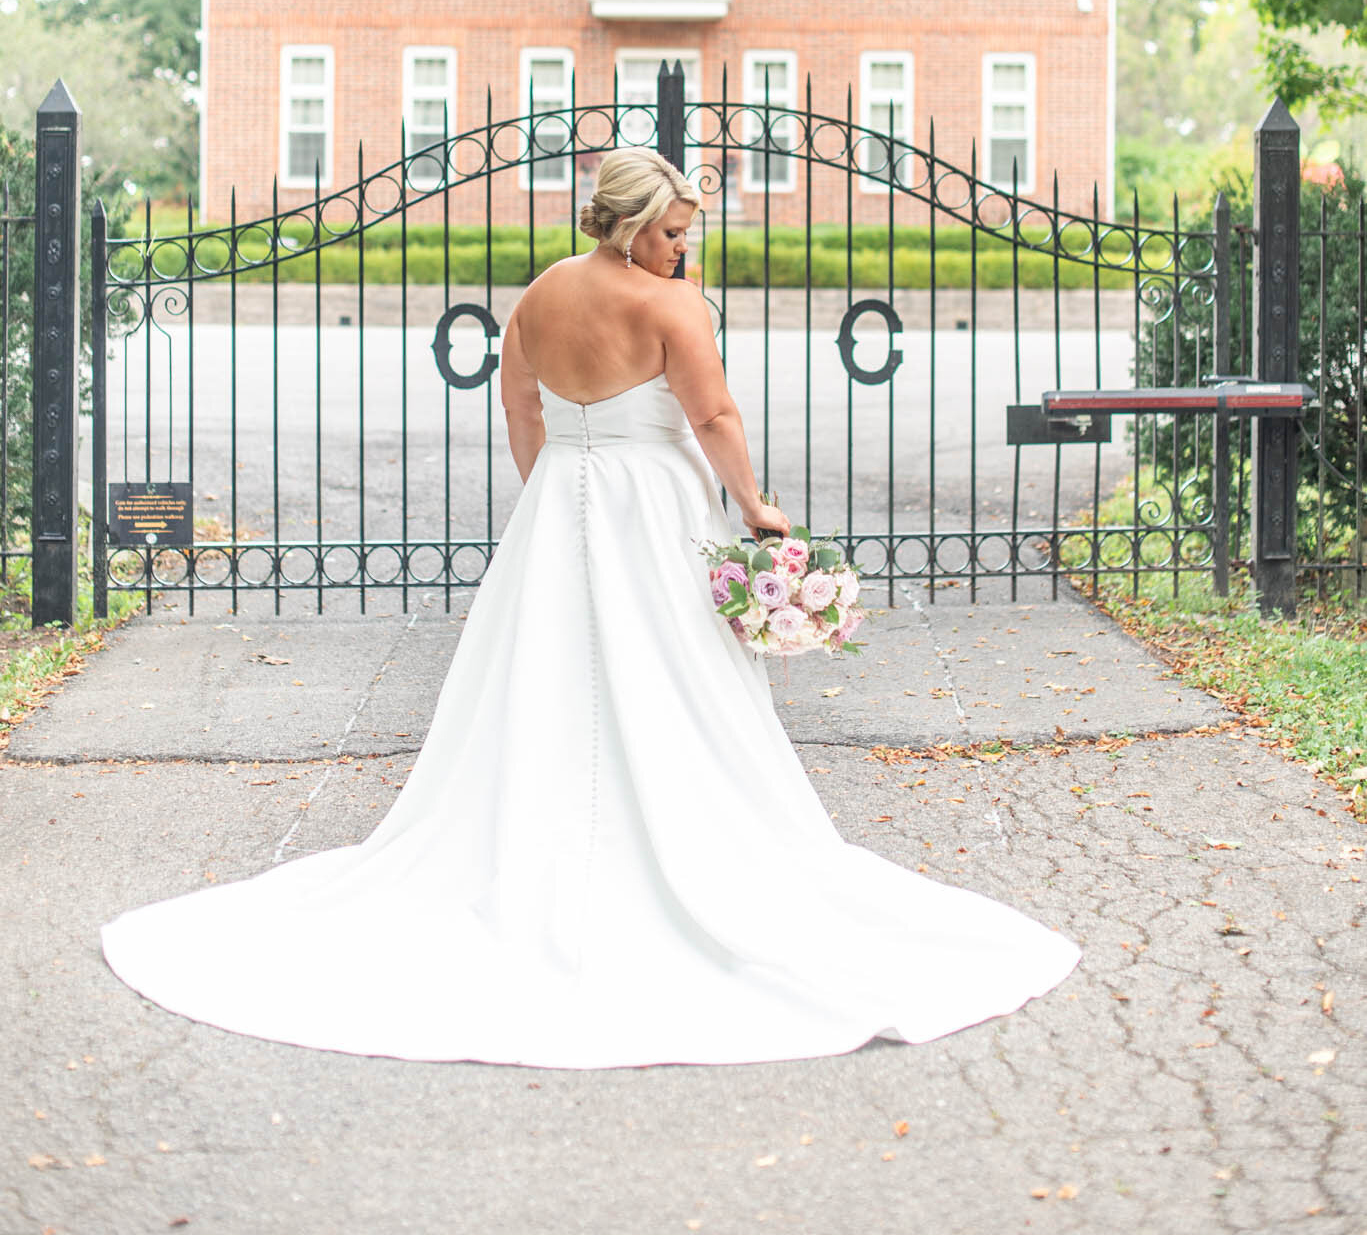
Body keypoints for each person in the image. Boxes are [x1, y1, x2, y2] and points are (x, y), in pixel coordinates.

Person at [102, 147, 1079, 1066]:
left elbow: (518, 406)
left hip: (556, 508)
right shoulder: (671, 306)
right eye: (668, 232)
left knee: (543, 676)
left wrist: (546, 489)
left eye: (686, 232)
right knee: (670, 673)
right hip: (651, 506)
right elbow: (713, 415)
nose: (681, 248)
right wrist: (756, 506)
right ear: (626, 226)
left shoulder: (536, 295)